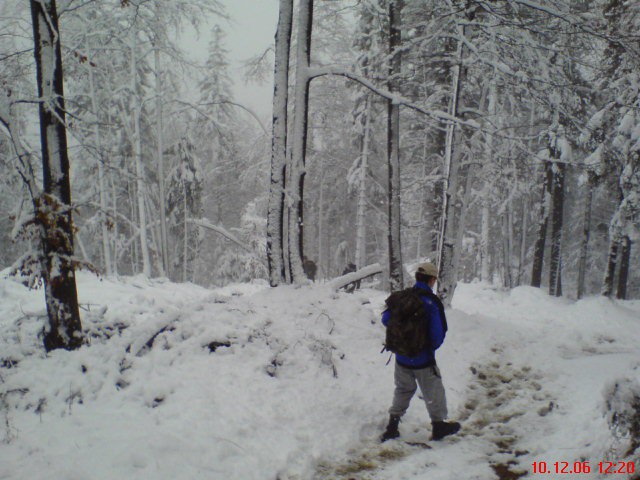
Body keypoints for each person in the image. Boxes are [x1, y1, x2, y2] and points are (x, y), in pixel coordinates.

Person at [380, 262, 460, 442]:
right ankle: (438, 425)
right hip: (423, 359)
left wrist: (403, 339)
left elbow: (386, 319)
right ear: (432, 280)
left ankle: (392, 425)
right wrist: (425, 347)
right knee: (434, 391)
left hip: (401, 356)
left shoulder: (401, 297)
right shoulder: (431, 302)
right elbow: (438, 334)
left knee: (402, 389)